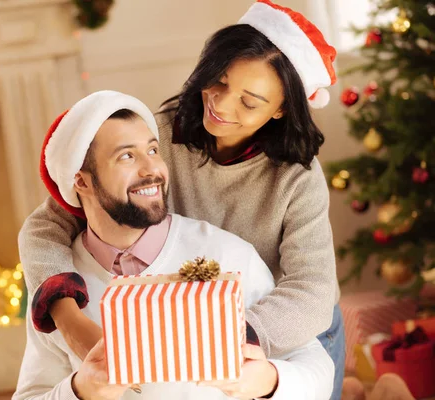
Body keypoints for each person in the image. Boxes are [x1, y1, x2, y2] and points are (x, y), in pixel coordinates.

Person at [19, 0, 345, 398]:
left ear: (281, 110)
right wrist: (67, 317)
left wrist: (224, 338)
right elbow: (44, 226)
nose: (222, 105)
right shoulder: (152, 141)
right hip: (189, 326)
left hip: (285, 332)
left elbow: (312, 293)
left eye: (249, 101)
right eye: (220, 82)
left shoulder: (298, 177)